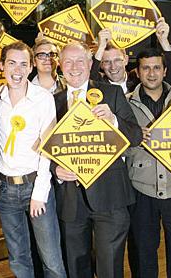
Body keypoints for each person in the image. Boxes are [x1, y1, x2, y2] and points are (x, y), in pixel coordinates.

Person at [52, 41, 142, 278]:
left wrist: (113, 120)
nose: (74, 67)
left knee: (109, 268)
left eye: (80, 61)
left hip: (110, 197)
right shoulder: (52, 102)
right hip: (70, 199)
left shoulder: (111, 93)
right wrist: (55, 169)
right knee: (76, 267)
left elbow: (135, 135)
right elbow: (45, 149)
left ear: (90, 64)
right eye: (68, 62)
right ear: (60, 66)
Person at [125, 47, 171, 278]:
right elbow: (117, 144)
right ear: (137, 72)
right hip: (141, 190)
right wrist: (135, 137)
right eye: (146, 68)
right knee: (143, 253)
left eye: (157, 67)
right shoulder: (125, 104)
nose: (152, 73)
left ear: (165, 71)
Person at [0, 41, 66, 278]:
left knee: (51, 260)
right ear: (2, 66)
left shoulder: (43, 98)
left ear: (31, 67)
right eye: (12, 63)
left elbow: (48, 149)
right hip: (6, 191)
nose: (17, 70)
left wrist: (39, 193)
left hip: (36, 186)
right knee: (18, 259)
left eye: (23, 64)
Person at [91, 17, 171, 93]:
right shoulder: (97, 84)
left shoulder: (139, 78)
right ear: (101, 64)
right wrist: (100, 48)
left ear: (126, 60)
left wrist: (164, 41)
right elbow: (89, 77)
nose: (113, 67)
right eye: (107, 62)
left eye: (117, 60)